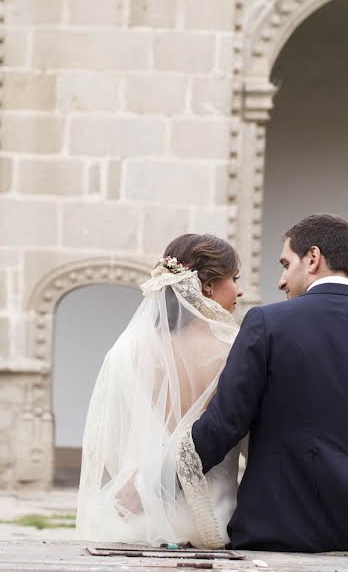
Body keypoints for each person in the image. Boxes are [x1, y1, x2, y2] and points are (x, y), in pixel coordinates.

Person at [178, 213, 348, 552]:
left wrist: (165, 482)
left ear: (313, 258)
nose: (281, 281)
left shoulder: (266, 323)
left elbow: (225, 424)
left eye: (286, 263)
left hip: (273, 533)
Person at [76, 233, 244, 547]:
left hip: (142, 517)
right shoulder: (235, 349)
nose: (239, 289)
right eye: (233, 278)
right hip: (214, 516)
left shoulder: (128, 348)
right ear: (206, 286)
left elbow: (114, 438)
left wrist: (138, 485)